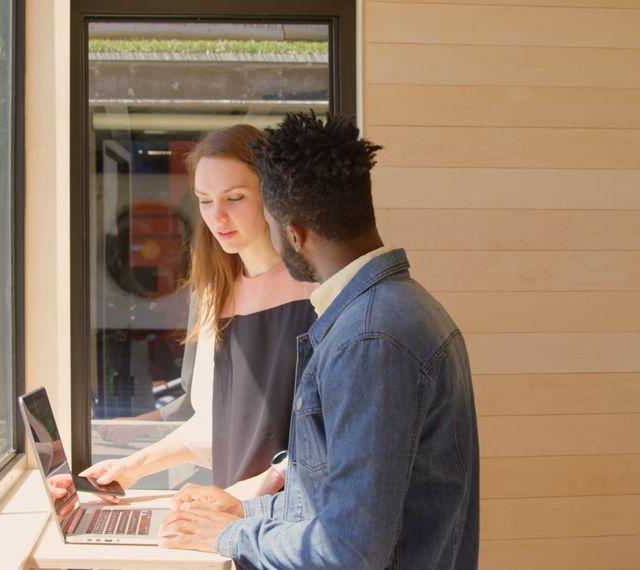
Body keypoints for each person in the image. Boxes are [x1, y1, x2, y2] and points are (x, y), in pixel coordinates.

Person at [157, 112, 480, 569]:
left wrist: (232, 534)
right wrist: (247, 510)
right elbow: (342, 503)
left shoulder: (370, 337)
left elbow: (348, 548)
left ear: (293, 232)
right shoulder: (400, 307)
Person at [77, 124, 318, 501]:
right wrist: (132, 467)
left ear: (274, 193)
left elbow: (339, 433)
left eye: (235, 198)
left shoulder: (319, 289)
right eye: (205, 200)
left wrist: (253, 491)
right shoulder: (212, 294)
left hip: (297, 520)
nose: (218, 216)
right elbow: (214, 426)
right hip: (232, 515)